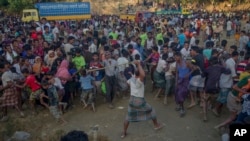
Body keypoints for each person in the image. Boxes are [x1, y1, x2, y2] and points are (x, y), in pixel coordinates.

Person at [121, 60, 164, 138]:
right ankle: (156, 125)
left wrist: (132, 75)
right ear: (139, 75)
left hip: (131, 100)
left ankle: (123, 133)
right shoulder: (139, 81)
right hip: (139, 101)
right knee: (152, 110)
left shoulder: (132, 80)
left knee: (128, 116)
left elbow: (129, 82)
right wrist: (138, 64)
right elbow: (143, 75)